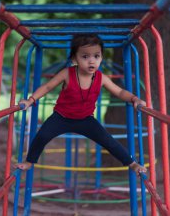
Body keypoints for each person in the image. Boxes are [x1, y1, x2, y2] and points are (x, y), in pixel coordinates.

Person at [15, 34, 147, 176]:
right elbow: (47, 87)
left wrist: (134, 98)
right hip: (61, 117)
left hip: (85, 120)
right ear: (74, 59)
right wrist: (30, 100)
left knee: (108, 141)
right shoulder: (67, 73)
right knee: (42, 136)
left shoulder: (101, 78)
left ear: (101, 58)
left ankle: (132, 163)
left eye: (96, 56)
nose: (91, 61)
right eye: (85, 57)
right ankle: (29, 161)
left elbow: (120, 92)